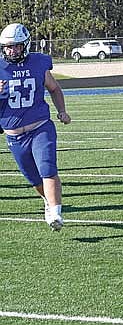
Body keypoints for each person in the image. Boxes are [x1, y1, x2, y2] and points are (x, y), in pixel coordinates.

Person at [0, 23, 71, 231]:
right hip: (14, 136)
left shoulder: (38, 63)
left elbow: (54, 88)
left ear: (26, 45)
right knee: (33, 178)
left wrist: (62, 110)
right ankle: (48, 201)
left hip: (40, 126)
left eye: (16, 46)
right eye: (8, 47)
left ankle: (56, 213)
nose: (12, 50)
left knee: (47, 168)